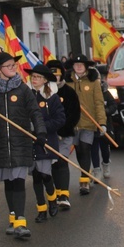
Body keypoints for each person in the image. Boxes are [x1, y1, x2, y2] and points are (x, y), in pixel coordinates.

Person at [0, 52, 47, 240]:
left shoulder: (22, 89)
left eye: (14, 65)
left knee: (19, 180)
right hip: (0, 143)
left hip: (20, 142)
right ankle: (13, 217)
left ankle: (21, 222)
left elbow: (35, 112)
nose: (13, 68)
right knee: (9, 181)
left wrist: (41, 132)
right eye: (9, 66)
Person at [25, 64, 66, 223]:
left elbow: (60, 119)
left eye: (38, 77)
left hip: (46, 141)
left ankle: (52, 198)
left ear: (44, 80)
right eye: (33, 77)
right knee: (35, 176)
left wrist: (41, 128)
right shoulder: (26, 96)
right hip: (30, 141)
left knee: (45, 174)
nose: (34, 80)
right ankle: (41, 209)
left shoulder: (52, 98)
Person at [65, 54, 107, 195]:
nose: (78, 67)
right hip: (73, 122)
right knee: (78, 150)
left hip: (89, 123)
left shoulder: (93, 81)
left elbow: (99, 103)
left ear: (86, 67)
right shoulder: (67, 82)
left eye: (81, 65)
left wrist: (102, 122)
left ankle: (84, 182)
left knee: (85, 148)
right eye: (76, 65)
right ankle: (86, 174)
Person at [45, 59, 81, 210]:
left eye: (57, 75)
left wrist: (63, 129)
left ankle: (64, 195)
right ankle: (56, 192)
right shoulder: (43, 93)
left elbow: (74, 114)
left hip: (65, 134)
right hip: (49, 134)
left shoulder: (69, 92)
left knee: (63, 161)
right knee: (53, 163)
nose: (55, 78)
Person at [92, 68, 118, 180]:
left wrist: (106, 111)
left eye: (97, 79)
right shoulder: (88, 92)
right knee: (93, 148)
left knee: (104, 147)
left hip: (105, 124)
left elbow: (113, 106)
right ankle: (96, 169)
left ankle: (106, 164)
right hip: (92, 125)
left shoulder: (106, 93)